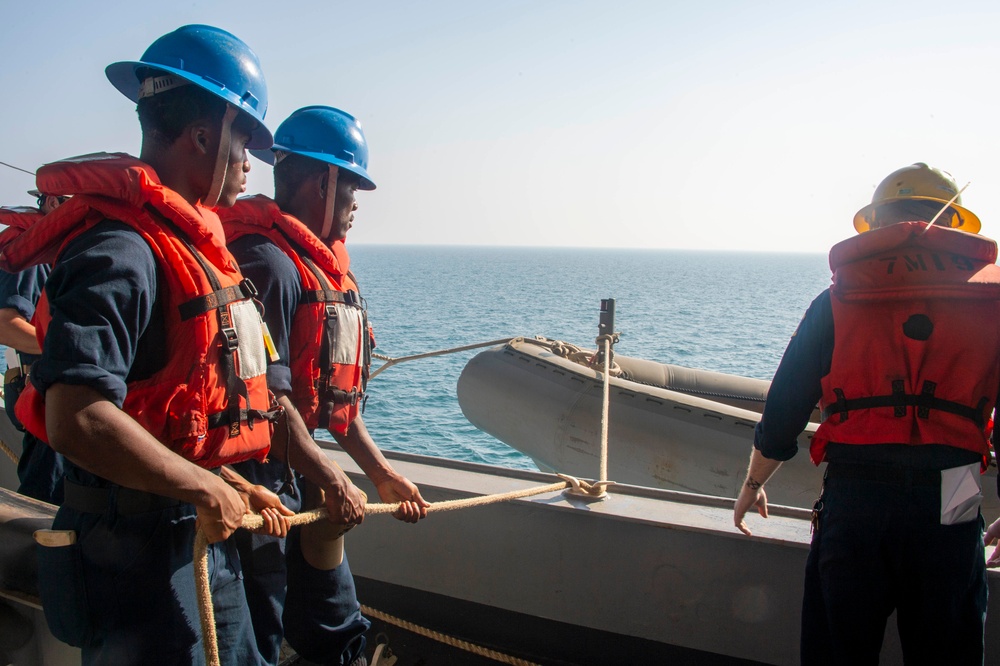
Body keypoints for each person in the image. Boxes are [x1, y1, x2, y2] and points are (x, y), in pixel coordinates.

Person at [0, 26, 363, 665]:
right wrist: (203, 486)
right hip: (136, 560)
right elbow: (76, 416)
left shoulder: (201, 252)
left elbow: (162, 407)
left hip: (191, 536)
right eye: (242, 138)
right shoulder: (121, 249)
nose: (251, 162)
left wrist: (226, 481)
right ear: (202, 136)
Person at [733, 163, 1000, 665]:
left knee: (840, 651)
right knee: (948, 649)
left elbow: (785, 407)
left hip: (857, 492)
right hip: (957, 488)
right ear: (954, 225)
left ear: (878, 224)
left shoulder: (837, 299)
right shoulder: (994, 304)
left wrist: (752, 484)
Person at [219, 105, 429, 666]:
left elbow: (329, 400)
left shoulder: (313, 267)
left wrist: (380, 474)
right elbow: (271, 400)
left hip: (299, 474)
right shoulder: (267, 265)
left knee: (334, 624)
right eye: (351, 187)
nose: (356, 204)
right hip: (255, 485)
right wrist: (333, 477)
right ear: (322, 181)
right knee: (257, 632)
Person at [0, 190, 64, 503]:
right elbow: (6, 325)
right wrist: (74, 350)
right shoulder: (33, 252)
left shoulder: (60, 250)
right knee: (45, 504)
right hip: (47, 403)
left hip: (59, 402)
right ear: (54, 202)